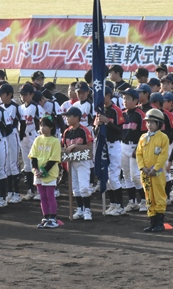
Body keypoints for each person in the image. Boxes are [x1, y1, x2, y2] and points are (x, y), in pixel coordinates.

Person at [94, 85, 125, 216]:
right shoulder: (99, 111)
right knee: (106, 177)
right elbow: (95, 131)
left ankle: (120, 206)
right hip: (104, 145)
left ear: (108, 96)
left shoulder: (116, 110)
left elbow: (120, 130)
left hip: (115, 144)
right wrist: (98, 125)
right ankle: (113, 204)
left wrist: (107, 122)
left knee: (113, 177)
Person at [137, 109, 169, 232]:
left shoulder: (163, 138)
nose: (149, 125)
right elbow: (139, 153)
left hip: (157, 174)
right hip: (145, 173)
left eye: (152, 122)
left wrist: (155, 169)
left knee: (159, 195)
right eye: (147, 122)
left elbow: (163, 155)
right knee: (148, 196)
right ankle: (152, 221)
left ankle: (160, 222)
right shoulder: (143, 137)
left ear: (159, 124)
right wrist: (142, 167)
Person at [30, 115, 62, 228]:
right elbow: (33, 156)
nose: (42, 128)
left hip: (50, 173)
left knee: (50, 195)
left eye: (45, 126)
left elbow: (54, 159)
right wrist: (35, 169)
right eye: (41, 126)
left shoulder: (55, 141)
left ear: (51, 127)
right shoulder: (37, 139)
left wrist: (43, 171)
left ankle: (53, 218)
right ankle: (45, 216)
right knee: (42, 196)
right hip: (38, 173)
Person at [63, 107, 94, 221]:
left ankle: (87, 210)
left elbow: (90, 147)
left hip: (82, 161)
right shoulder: (67, 132)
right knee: (75, 187)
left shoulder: (84, 130)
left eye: (69, 116)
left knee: (84, 187)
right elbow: (64, 147)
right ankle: (80, 209)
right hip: (71, 162)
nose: (66, 118)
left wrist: (75, 146)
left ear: (76, 118)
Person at [121, 88, 148, 212]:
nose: (125, 101)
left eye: (128, 98)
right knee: (126, 175)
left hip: (135, 146)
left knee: (136, 176)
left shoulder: (140, 115)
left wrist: (138, 148)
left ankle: (145, 200)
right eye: (124, 98)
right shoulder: (122, 114)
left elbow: (145, 135)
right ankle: (132, 201)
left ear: (136, 100)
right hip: (123, 146)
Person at [18, 83, 42, 200]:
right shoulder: (20, 108)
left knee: (36, 163)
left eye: (25, 94)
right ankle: (30, 190)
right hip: (24, 138)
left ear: (32, 94)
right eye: (21, 94)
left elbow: (41, 122)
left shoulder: (36, 107)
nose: (23, 97)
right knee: (27, 164)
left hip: (34, 136)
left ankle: (39, 190)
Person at [0, 84, 23, 203]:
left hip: (13, 135)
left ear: (9, 95)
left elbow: (22, 122)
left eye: (2, 94)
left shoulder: (15, 107)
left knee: (13, 164)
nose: (1, 97)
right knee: (7, 165)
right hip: (3, 136)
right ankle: (10, 192)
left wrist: (21, 136)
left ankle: (17, 193)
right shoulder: (0, 107)